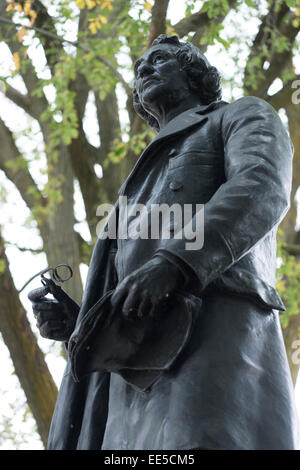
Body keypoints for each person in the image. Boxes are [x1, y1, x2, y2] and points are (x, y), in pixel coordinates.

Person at [28, 35, 299, 450]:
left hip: (209, 337)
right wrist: (81, 324)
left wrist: (175, 262)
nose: (145, 71)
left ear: (194, 73)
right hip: (129, 375)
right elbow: (124, 274)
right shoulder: (135, 183)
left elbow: (260, 185)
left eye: (160, 61)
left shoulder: (238, 116)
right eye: (139, 70)